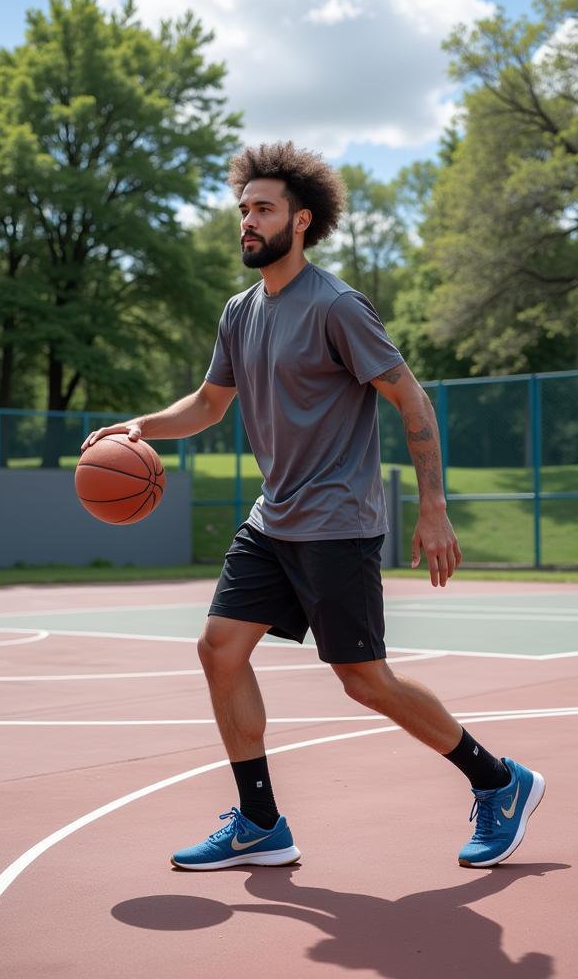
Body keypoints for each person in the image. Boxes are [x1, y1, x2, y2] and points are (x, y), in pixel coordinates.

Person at [82, 142, 544, 870]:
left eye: (262, 209)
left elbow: (409, 396)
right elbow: (208, 404)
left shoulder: (335, 305)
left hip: (338, 521)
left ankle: (500, 781)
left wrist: (433, 507)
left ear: (300, 220)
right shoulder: (240, 312)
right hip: (274, 519)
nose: (247, 221)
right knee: (218, 649)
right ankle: (261, 822)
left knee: (364, 681)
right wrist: (142, 426)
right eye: (243, 209)